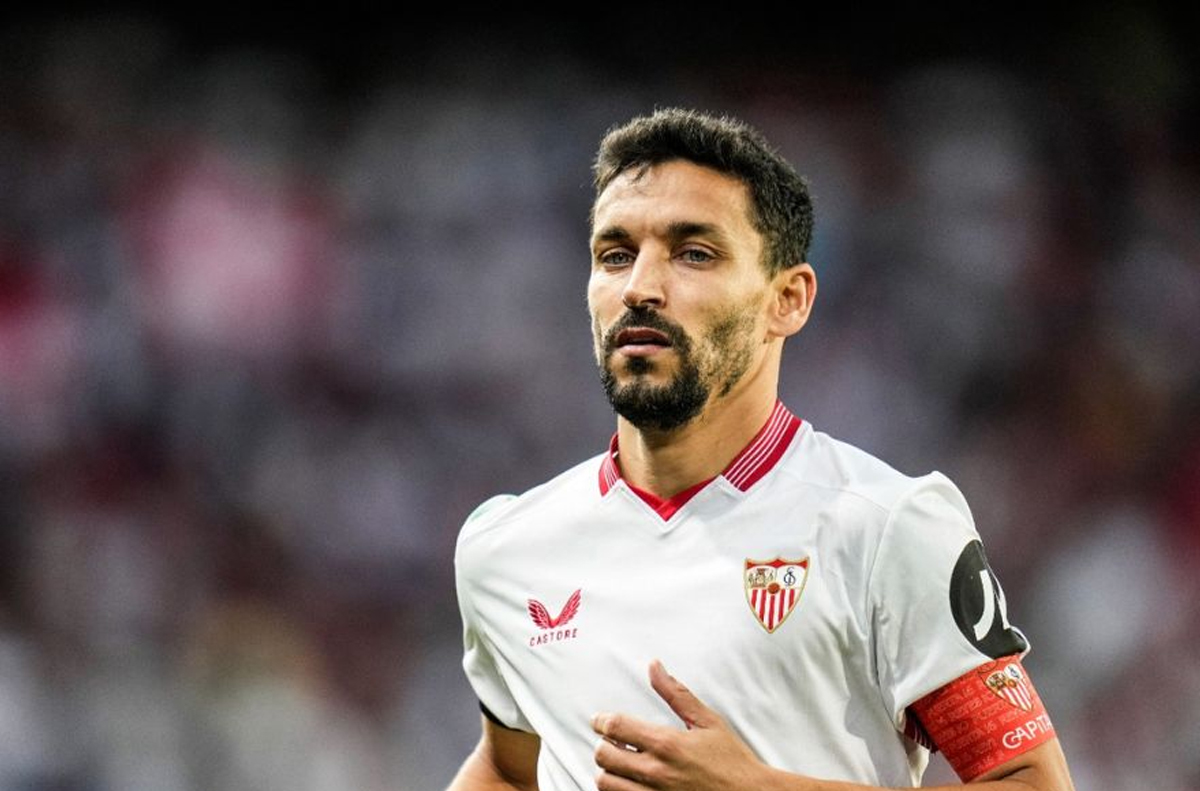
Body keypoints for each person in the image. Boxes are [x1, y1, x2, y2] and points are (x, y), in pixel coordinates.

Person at [447, 107, 1076, 791]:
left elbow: (1030, 782)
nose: (640, 288)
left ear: (788, 299)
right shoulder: (506, 548)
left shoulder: (887, 528)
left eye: (694, 253)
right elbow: (508, 767)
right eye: (615, 255)